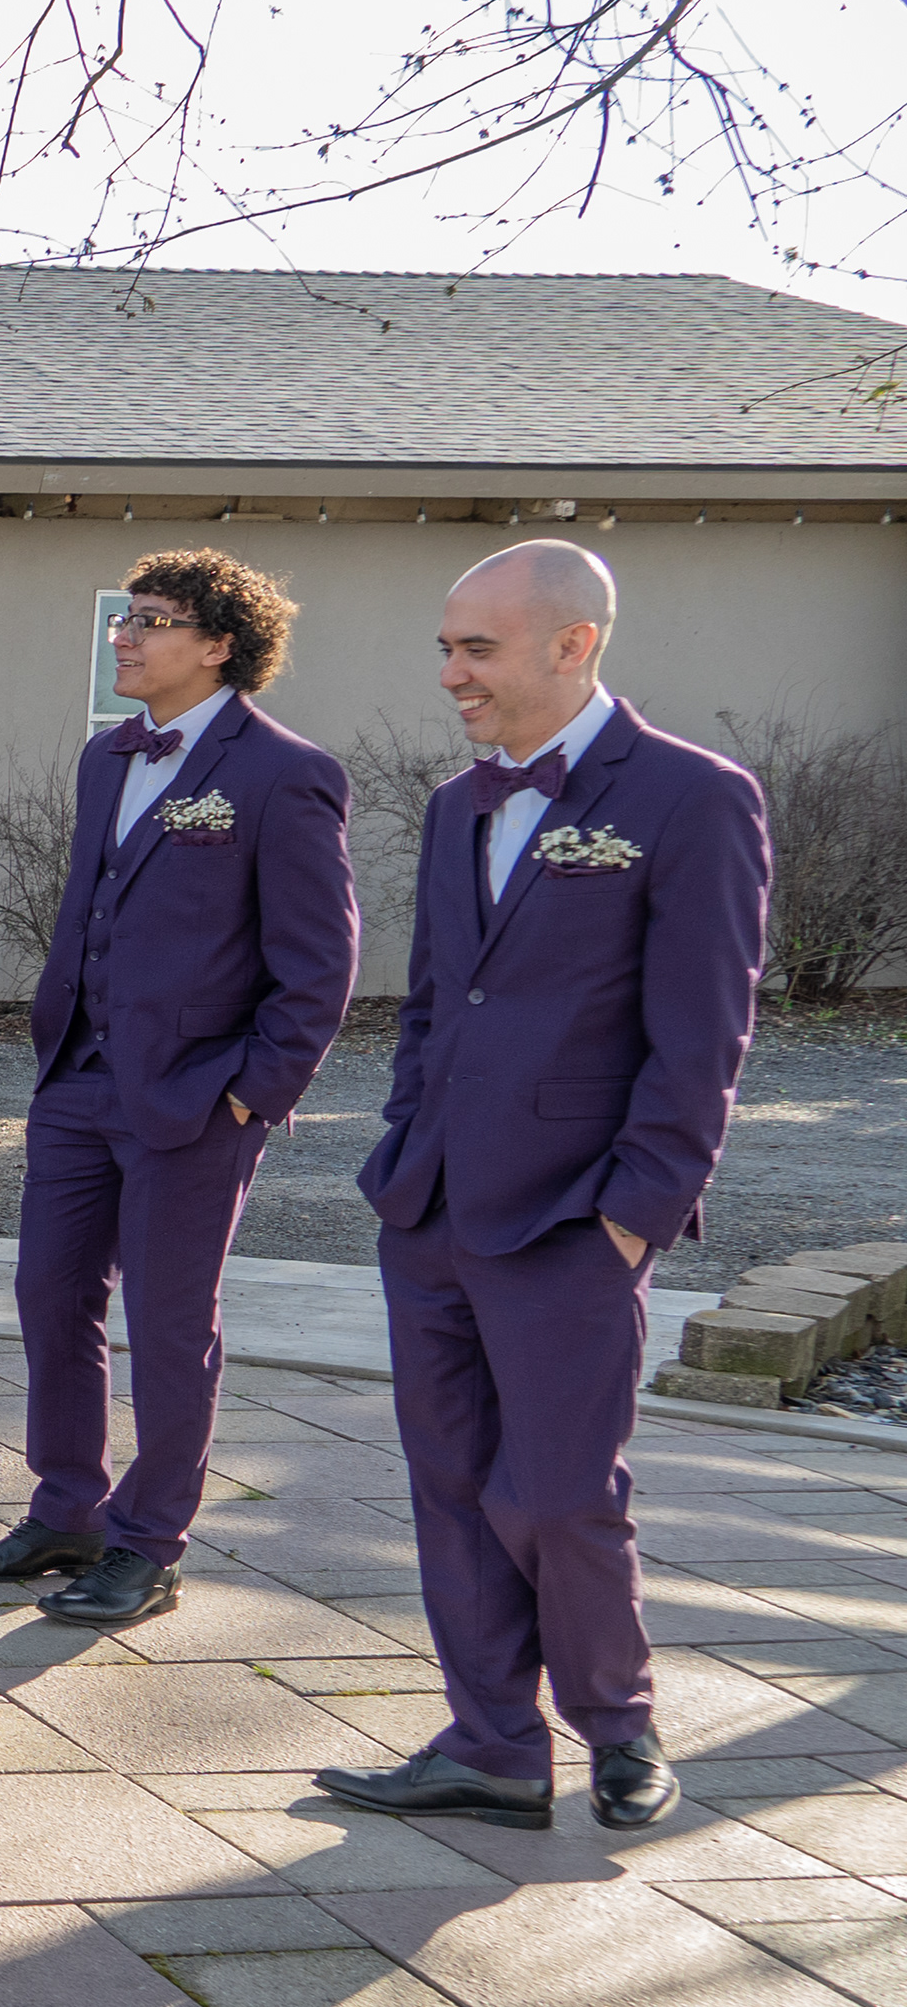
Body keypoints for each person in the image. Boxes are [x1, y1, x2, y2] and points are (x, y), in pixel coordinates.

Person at [318, 540, 767, 1834]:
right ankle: (493, 1746)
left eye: (478, 648)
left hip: (575, 1215)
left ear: (575, 644)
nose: (450, 673)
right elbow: (433, 1001)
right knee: (452, 1486)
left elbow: (703, 1035)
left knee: (558, 1494)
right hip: (431, 1208)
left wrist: (634, 1214)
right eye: (446, 648)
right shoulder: (455, 805)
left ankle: (619, 1727)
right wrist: (404, 1139)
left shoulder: (693, 798)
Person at [0, 552, 358, 1627]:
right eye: (123, 618)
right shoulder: (106, 757)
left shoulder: (285, 773)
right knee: (49, 1295)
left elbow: (320, 963)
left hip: (198, 1096)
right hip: (78, 1079)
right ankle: (67, 1510)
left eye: (153, 621)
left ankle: (149, 1542)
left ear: (219, 645)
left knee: (170, 1324)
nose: (124, 637)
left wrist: (254, 1091)